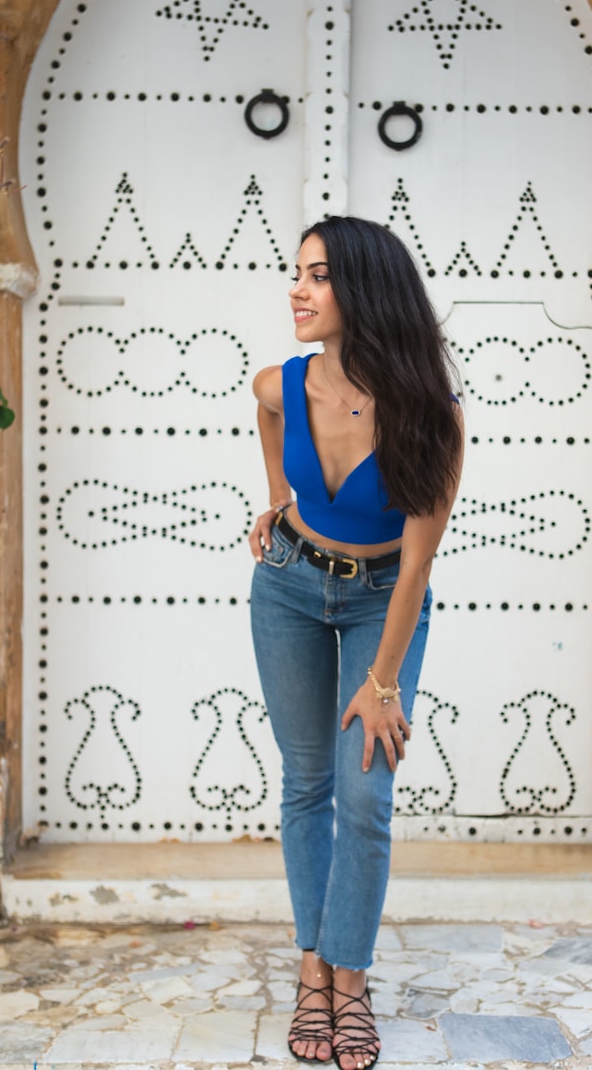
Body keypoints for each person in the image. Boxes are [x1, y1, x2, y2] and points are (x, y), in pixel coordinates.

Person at [248, 216, 463, 1070]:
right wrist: (275, 494)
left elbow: (415, 569)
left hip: (383, 600)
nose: (297, 290)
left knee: (365, 798)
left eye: (319, 276)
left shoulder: (431, 413)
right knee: (306, 787)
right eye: (296, 273)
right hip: (290, 587)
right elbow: (264, 411)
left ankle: (351, 980)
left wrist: (382, 685)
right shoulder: (286, 382)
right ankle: (313, 971)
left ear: (365, 290)